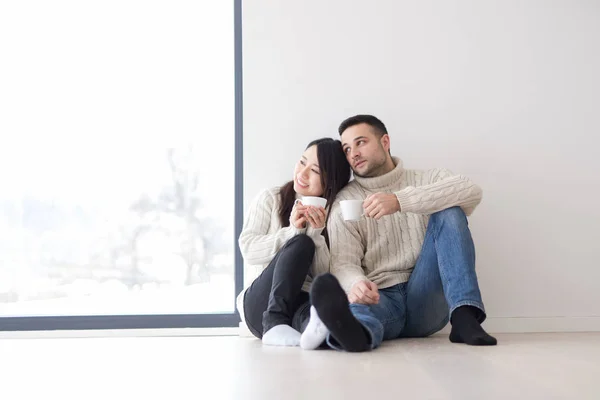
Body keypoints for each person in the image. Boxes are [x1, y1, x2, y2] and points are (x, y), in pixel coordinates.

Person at [302, 115, 497, 352]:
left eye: (361, 142)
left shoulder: (427, 179)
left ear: (385, 141)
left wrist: (400, 201)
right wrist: (357, 284)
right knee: (358, 308)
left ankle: (465, 317)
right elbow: (343, 262)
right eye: (347, 148)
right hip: (382, 297)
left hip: (427, 296)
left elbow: (471, 191)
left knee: (450, 212)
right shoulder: (346, 201)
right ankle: (356, 334)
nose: (353, 153)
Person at [237, 138, 351, 346]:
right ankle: (273, 324)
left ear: (331, 180)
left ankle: (331, 335)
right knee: (301, 244)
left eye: (315, 170)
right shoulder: (272, 198)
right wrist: (292, 232)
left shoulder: (336, 215)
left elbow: (325, 276)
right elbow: (249, 250)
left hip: (300, 303)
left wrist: (316, 233)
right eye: (302, 162)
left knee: (317, 321)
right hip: (260, 305)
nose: (302, 173)